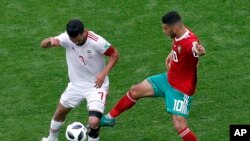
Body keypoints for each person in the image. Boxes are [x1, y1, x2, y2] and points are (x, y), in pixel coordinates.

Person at [100, 11, 206, 141]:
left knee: (180, 125)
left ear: (175, 28)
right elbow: (179, 44)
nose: (164, 31)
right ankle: (109, 119)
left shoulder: (191, 42)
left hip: (181, 90)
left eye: (166, 29)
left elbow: (194, 48)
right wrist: (172, 53)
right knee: (135, 90)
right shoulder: (181, 32)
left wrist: (199, 51)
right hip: (168, 79)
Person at [40, 19, 119, 141]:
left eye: (77, 39)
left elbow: (114, 54)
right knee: (61, 111)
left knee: (93, 122)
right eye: (72, 40)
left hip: (96, 86)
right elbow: (43, 45)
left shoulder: (96, 41)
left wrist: (104, 73)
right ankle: (52, 138)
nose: (75, 42)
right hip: (76, 85)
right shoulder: (66, 38)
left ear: (84, 32)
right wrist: (50, 40)